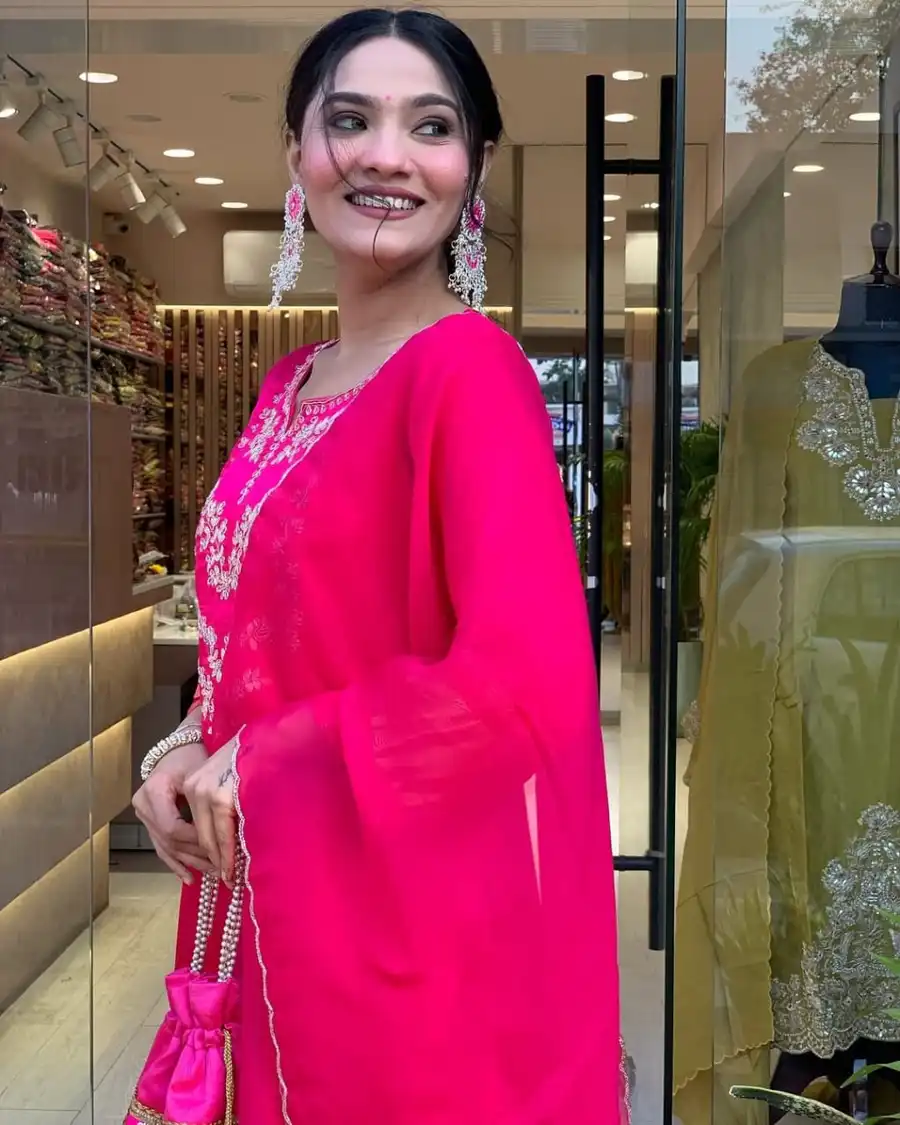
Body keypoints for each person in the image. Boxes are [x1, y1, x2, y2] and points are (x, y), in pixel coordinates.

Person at [132, 9, 625, 1123]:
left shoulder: (469, 373)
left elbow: (520, 683)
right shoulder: (289, 385)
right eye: (349, 119)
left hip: (404, 922)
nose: (386, 156)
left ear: (474, 166)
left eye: (430, 126)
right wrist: (188, 744)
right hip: (263, 891)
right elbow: (257, 640)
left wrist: (265, 755)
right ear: (297, 154)